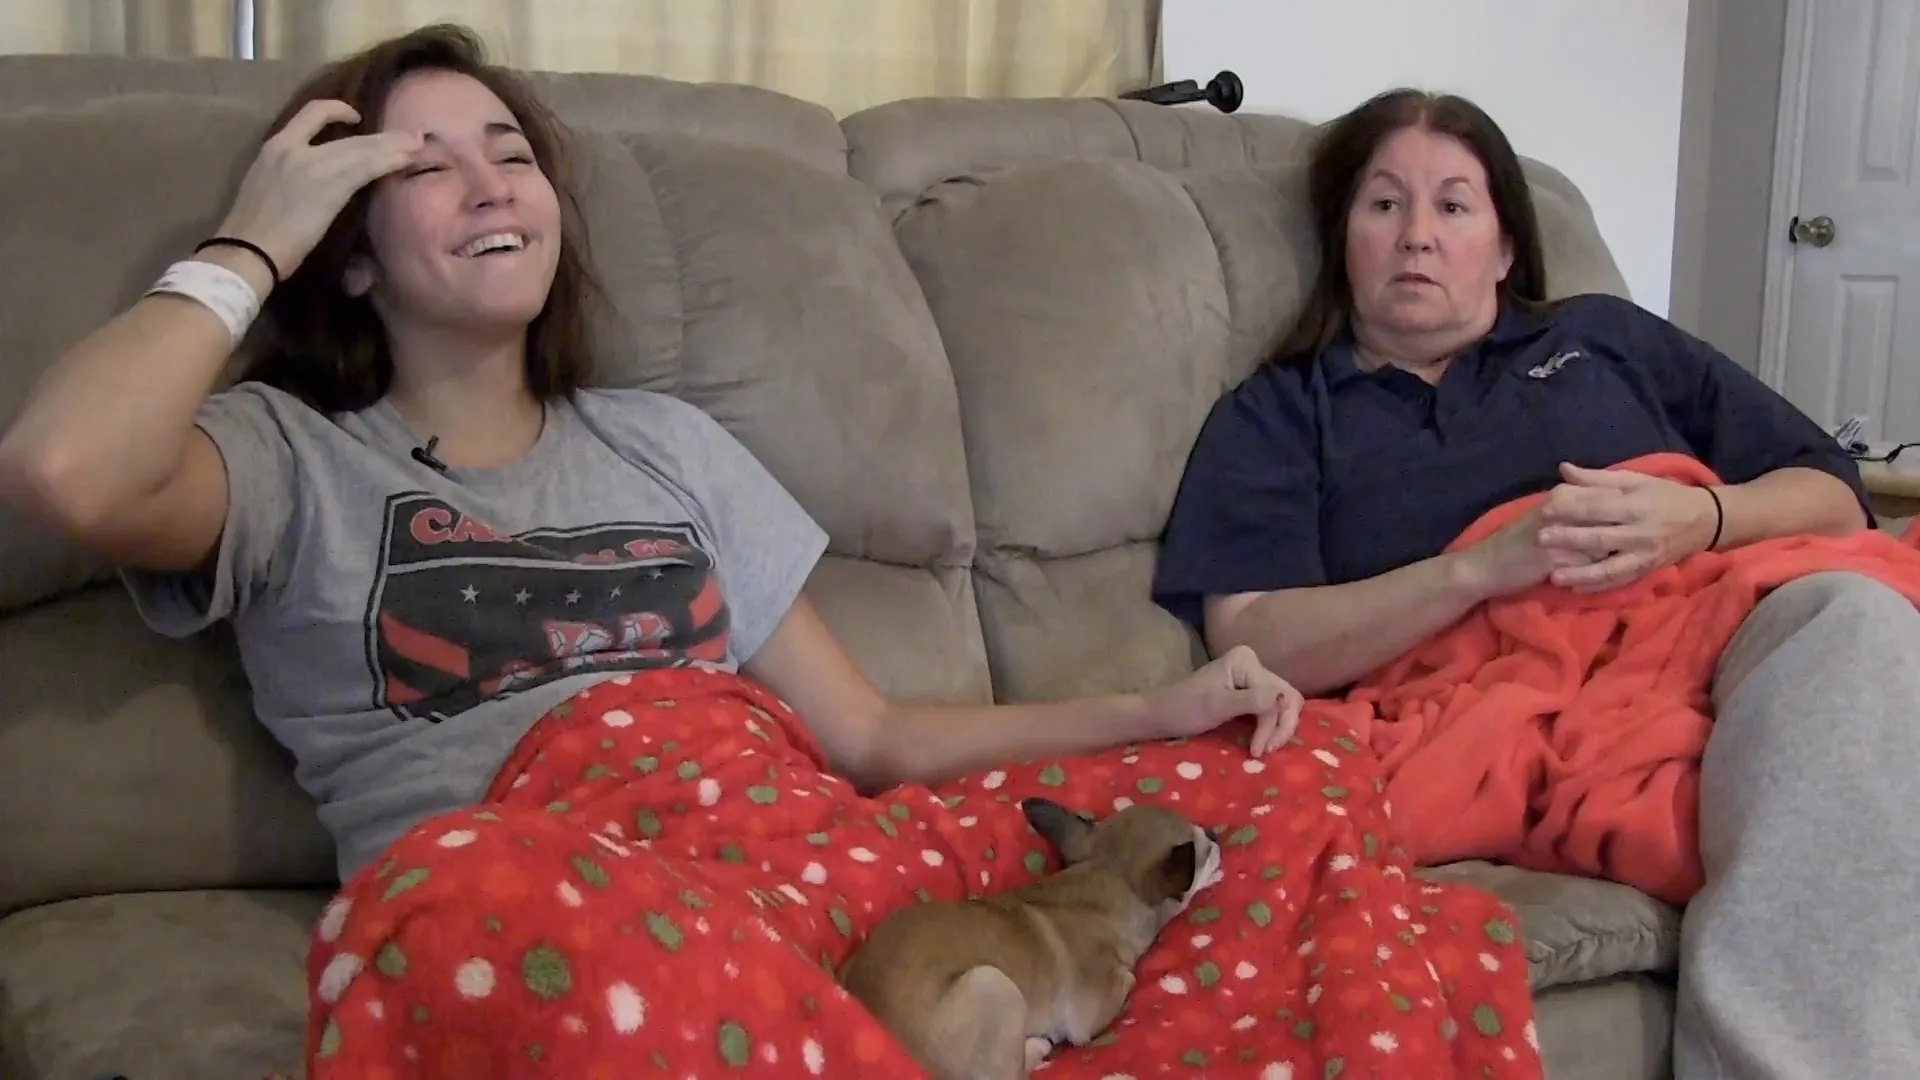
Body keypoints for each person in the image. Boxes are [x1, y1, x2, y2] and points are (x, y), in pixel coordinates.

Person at [0, 28, 1545, 1080]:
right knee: (450, 904)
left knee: (1288, 774)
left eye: (511, 153)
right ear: (347, 240)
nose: (489, 184)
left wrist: (1168, 708)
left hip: (807, 859)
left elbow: (870, 738)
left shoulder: (661, 443)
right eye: (422, 164)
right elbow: (63, 468)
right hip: (571, 891)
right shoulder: (292, 459)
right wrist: (253, 237)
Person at [1152, 85, 1920, 1080]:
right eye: (1384, 204)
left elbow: (1833, 493)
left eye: (1453, 205)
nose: (1417, 235)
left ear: (1506, 247)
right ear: (1344, 237)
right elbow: (1252, 634)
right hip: (1511, 693)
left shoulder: (1603, 338)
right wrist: (1474, 572)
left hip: (1721, 612)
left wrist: (1703, 516)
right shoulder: (1283, 413)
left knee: (1857, 625)